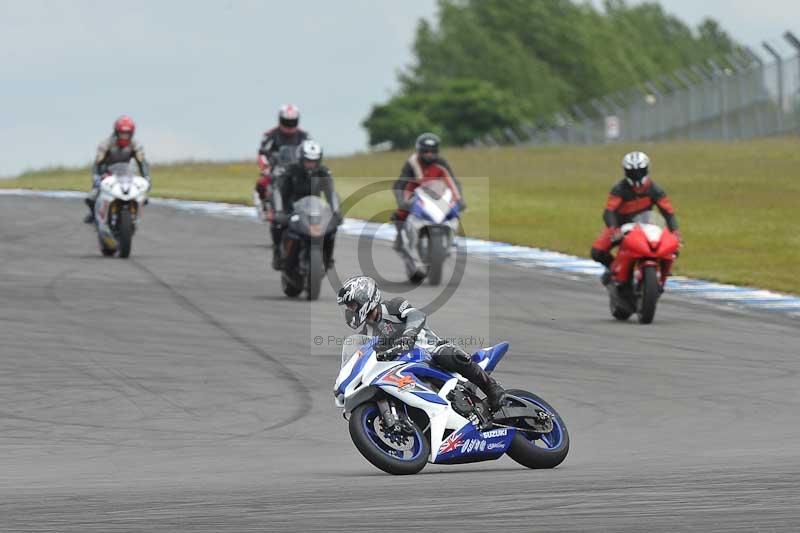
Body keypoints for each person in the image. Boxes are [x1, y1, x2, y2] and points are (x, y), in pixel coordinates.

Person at [336, 276, 506, 410]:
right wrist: (343, 385)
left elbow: (416, 315)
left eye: (351, 305)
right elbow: (362, 358)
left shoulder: (393, 306)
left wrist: (408, 335)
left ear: (364, 297)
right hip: (403, 365)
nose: (350, 310)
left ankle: (492, 388)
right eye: (348, 307)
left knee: (445, 354)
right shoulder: (367, 334)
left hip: (430, 350)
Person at [590, 151, 680, 284]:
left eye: (640, 172)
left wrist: (675, 231)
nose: (636, 176)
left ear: (646, 170)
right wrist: (614, 229)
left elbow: (668, 212)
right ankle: (613, 269)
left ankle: (662, 270)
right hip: (620, 226)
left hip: (646, 226)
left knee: (673, 248)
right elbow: (609, 211)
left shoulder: (655, 189)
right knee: (597, 252)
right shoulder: (619, 189)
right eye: (632, 173)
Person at [272, 140, 340, 271]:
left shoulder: (323, 172)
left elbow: (331, 193)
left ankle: (328, 257)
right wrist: (279, 211)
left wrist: (336, 211)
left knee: (331, 228)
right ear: (301, 159)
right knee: (278, 224)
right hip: (291, 208)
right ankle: (278, 252)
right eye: (308, 161)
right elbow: (277, 190)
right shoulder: (289, 170)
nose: (311, 164)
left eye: (314, 161)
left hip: (314, 209)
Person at [391, 132, 464, 250]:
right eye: (426, 151)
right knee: (401, 213)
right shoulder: (412, 163)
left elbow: (453, 182)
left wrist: (459, 200)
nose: (429, 154)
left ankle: (452, 236)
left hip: (436, 192)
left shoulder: (442, 163)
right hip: (415, 191)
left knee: (453, 210)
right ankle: (399, 236)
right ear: (419, 150)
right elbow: (399, 184)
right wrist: (401, 202)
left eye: (433, 151)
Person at [254, 104, 311, 256]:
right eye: (287, 121)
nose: (289, 125)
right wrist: (266, 167)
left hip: (296, 170)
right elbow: (262, 153)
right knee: (262, 182)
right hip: (276, 169)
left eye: (292, 122)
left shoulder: (304, 136)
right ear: (280, 120)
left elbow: (311, 153)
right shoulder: (270, 135)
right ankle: (265, 206)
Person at [84, 116, 150, 223]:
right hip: (107, 174)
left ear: (131, 133)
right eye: (122, 133)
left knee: (144, 197)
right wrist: (96, 177)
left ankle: (134, 216)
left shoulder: (135, 145)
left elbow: (142, 162)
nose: (124, 136)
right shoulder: (106, 144)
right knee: (92, 196)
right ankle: (94, 215)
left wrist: (146, 176)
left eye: (127, 134)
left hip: (126, 174)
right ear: (116, 132)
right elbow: (97, 162)